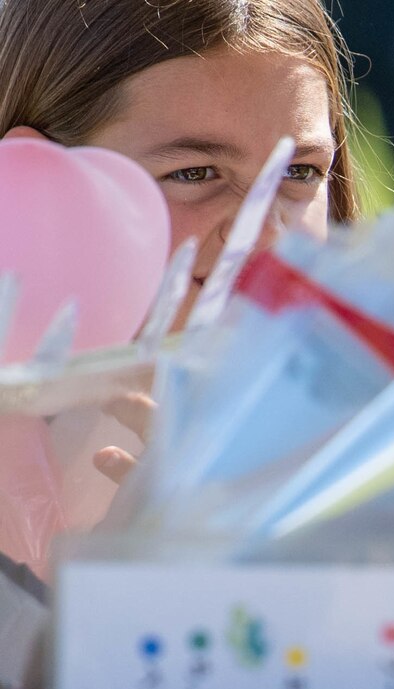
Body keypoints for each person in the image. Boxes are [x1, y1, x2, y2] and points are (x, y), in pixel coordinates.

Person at [0, 0, 358, 480]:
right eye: (194, 173)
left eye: (299, 172)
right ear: (37, 183)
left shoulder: (382, 448)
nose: (266, 235)